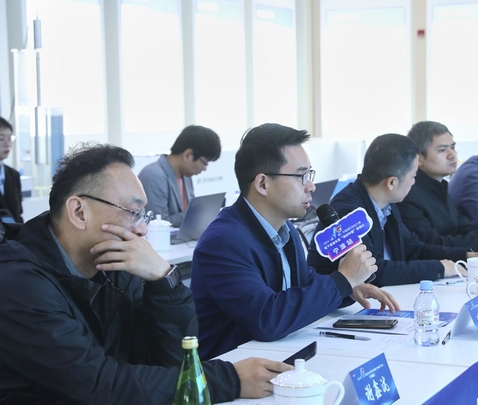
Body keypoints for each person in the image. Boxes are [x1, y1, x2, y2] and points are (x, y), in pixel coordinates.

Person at [0, 143, 290, 404]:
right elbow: (97, 385)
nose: (141, 229)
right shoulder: (18, 283)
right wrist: (229, 380)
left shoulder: (117, 266)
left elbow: (170, 362)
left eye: (144, 215)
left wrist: (163, 279)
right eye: (132, 212)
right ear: (79, 212)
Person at [191, 123, 398, 359]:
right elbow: (267, 318)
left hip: (277, 354)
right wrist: (342, 280)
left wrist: (348, 289)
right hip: (234, 367)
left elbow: (302, 281)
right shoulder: (222, 242)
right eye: (301, 176)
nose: (311, 186)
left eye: (309, 175)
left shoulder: (284, 226)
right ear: (262, 184)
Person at [307, 134, 478, 287]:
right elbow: (374, 272)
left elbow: (414, 248)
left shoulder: (385, 204)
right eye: (413, 176)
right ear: (392, 182)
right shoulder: (347, 212)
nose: (414, 182)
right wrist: (439, 268)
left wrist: (466, 256)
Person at [398, 121, 478, 250]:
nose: (452, 155)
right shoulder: (407, 194)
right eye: (442, 150)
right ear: (418, 159)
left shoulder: (439, 186)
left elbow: (461, 226)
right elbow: (431, 245)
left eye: (452, 147)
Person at [138, 125, 221, 227]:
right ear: (188, 155)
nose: (204, 169)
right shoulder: (153, 176)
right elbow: (158, 223)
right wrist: (198, 213)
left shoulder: (186, 175)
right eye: (205, 163)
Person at [0, 117, 22, 223]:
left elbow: (18, 214)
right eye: (1, 139)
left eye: (9, 138)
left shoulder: (13, 175)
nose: (7, 144)